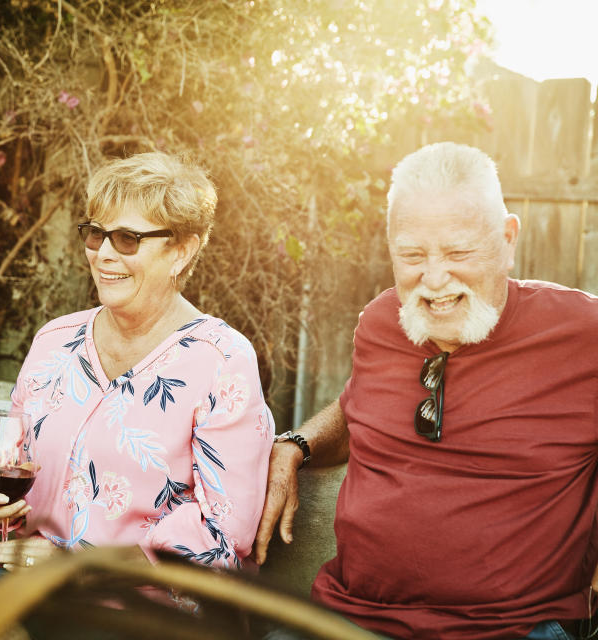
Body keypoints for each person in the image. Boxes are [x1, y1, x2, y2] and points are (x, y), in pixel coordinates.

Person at [253, 141, 598, 640]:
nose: (434, 280)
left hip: (509, 630)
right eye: (412, 255)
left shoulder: (581, 335)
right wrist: (297, 445)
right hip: (345, 621)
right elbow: (359, 411)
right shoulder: (380, 322)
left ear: (507, 239)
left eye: (459, 252)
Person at [0, 151, 275, 606]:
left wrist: (76, 570)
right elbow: (12, 463)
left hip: (143, 601)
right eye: (95, 234)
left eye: (127, 238)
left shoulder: (221, 359)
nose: (104, 253)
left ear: (181, 250)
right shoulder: (55, 341)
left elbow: (225, 535)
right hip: (32, 582)